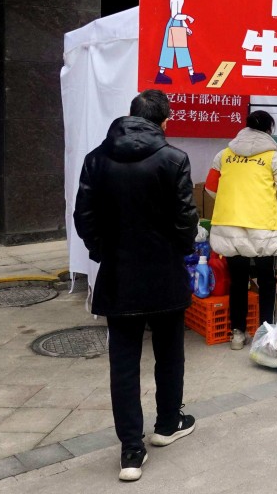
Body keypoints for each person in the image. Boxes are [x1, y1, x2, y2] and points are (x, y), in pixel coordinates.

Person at [74, 89, 198, 482]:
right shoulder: (174, 158)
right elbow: (185, 220)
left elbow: (84, 217)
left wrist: (103, 253)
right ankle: (166, 425)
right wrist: (175, 252)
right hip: (163, 273)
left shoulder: (96, 159)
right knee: (169, 353)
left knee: (123, 364)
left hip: (119, 275)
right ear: (164, 121)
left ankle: (131, 449)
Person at [206, 110, 277, 350]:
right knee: (267, 281)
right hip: (263, 228)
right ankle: (265, 332)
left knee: (238, 281)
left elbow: (210, 189)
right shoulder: (274, 159)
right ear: (269, 130)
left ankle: (237, 333)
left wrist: (234, 199)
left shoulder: (223, 155)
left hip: (230, 226)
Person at [155, 0, 206, 85]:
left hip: (176, 24)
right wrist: (187, 18)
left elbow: (177, 15)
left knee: (170, 50)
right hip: (175, 23)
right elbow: (175, 15)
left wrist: (186, 26)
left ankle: (161, 74)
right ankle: (191, 75)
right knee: (181, 50)